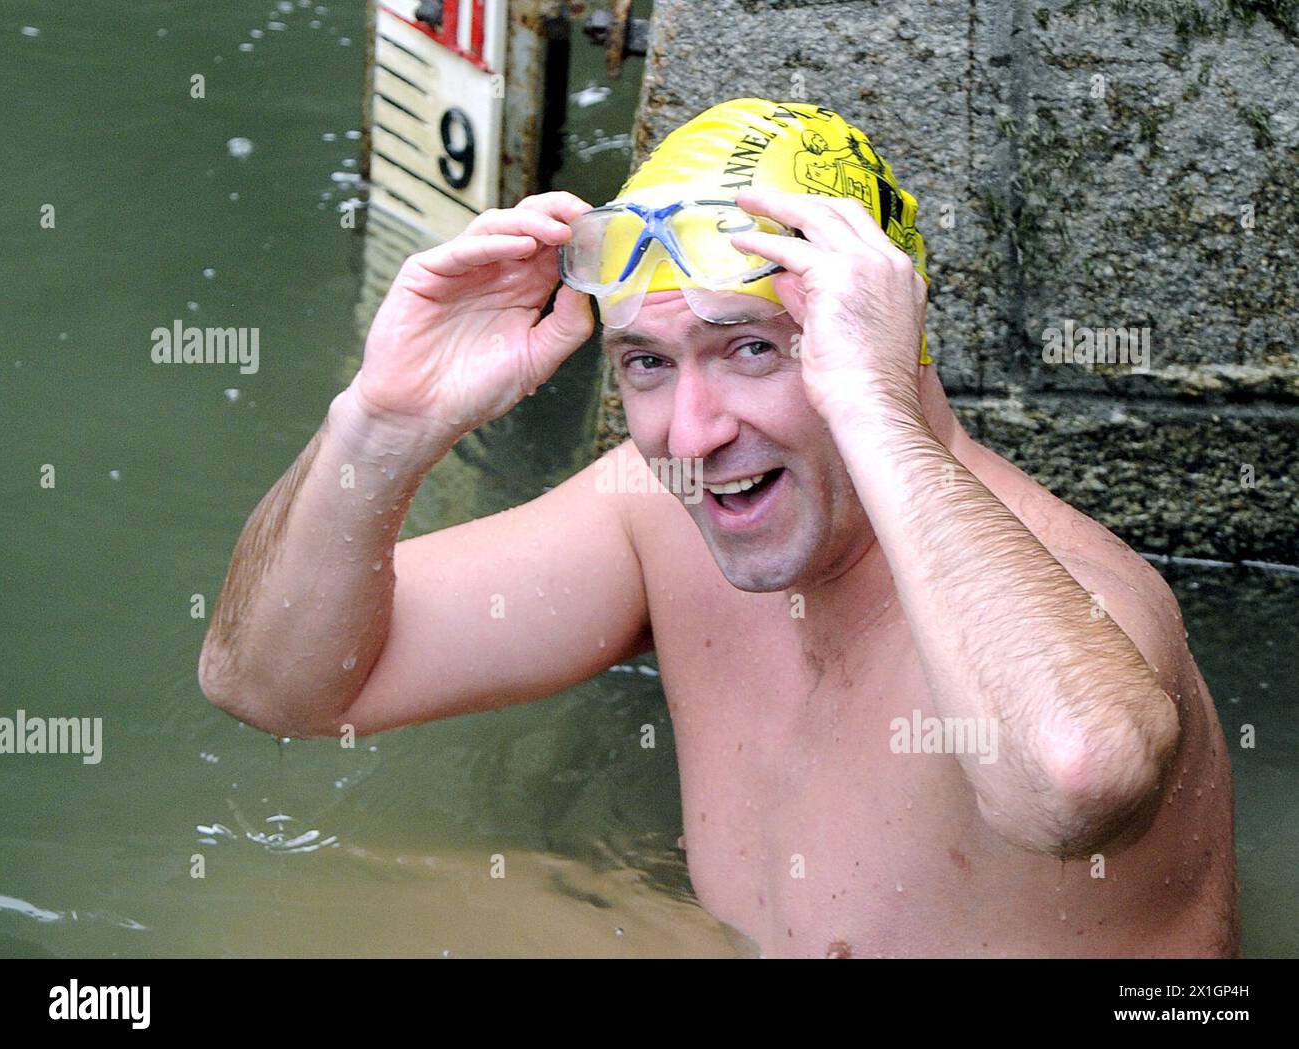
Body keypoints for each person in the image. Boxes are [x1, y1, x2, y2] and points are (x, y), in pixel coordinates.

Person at [199, 98, 1237, 958]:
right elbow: (275, 682)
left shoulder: (1082, 599)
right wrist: (381, 425)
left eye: (748, 348)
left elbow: (1073, 778)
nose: (689, 433)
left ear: (879, 340)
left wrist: (873, 407)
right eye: (647, 362)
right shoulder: (657, 519)